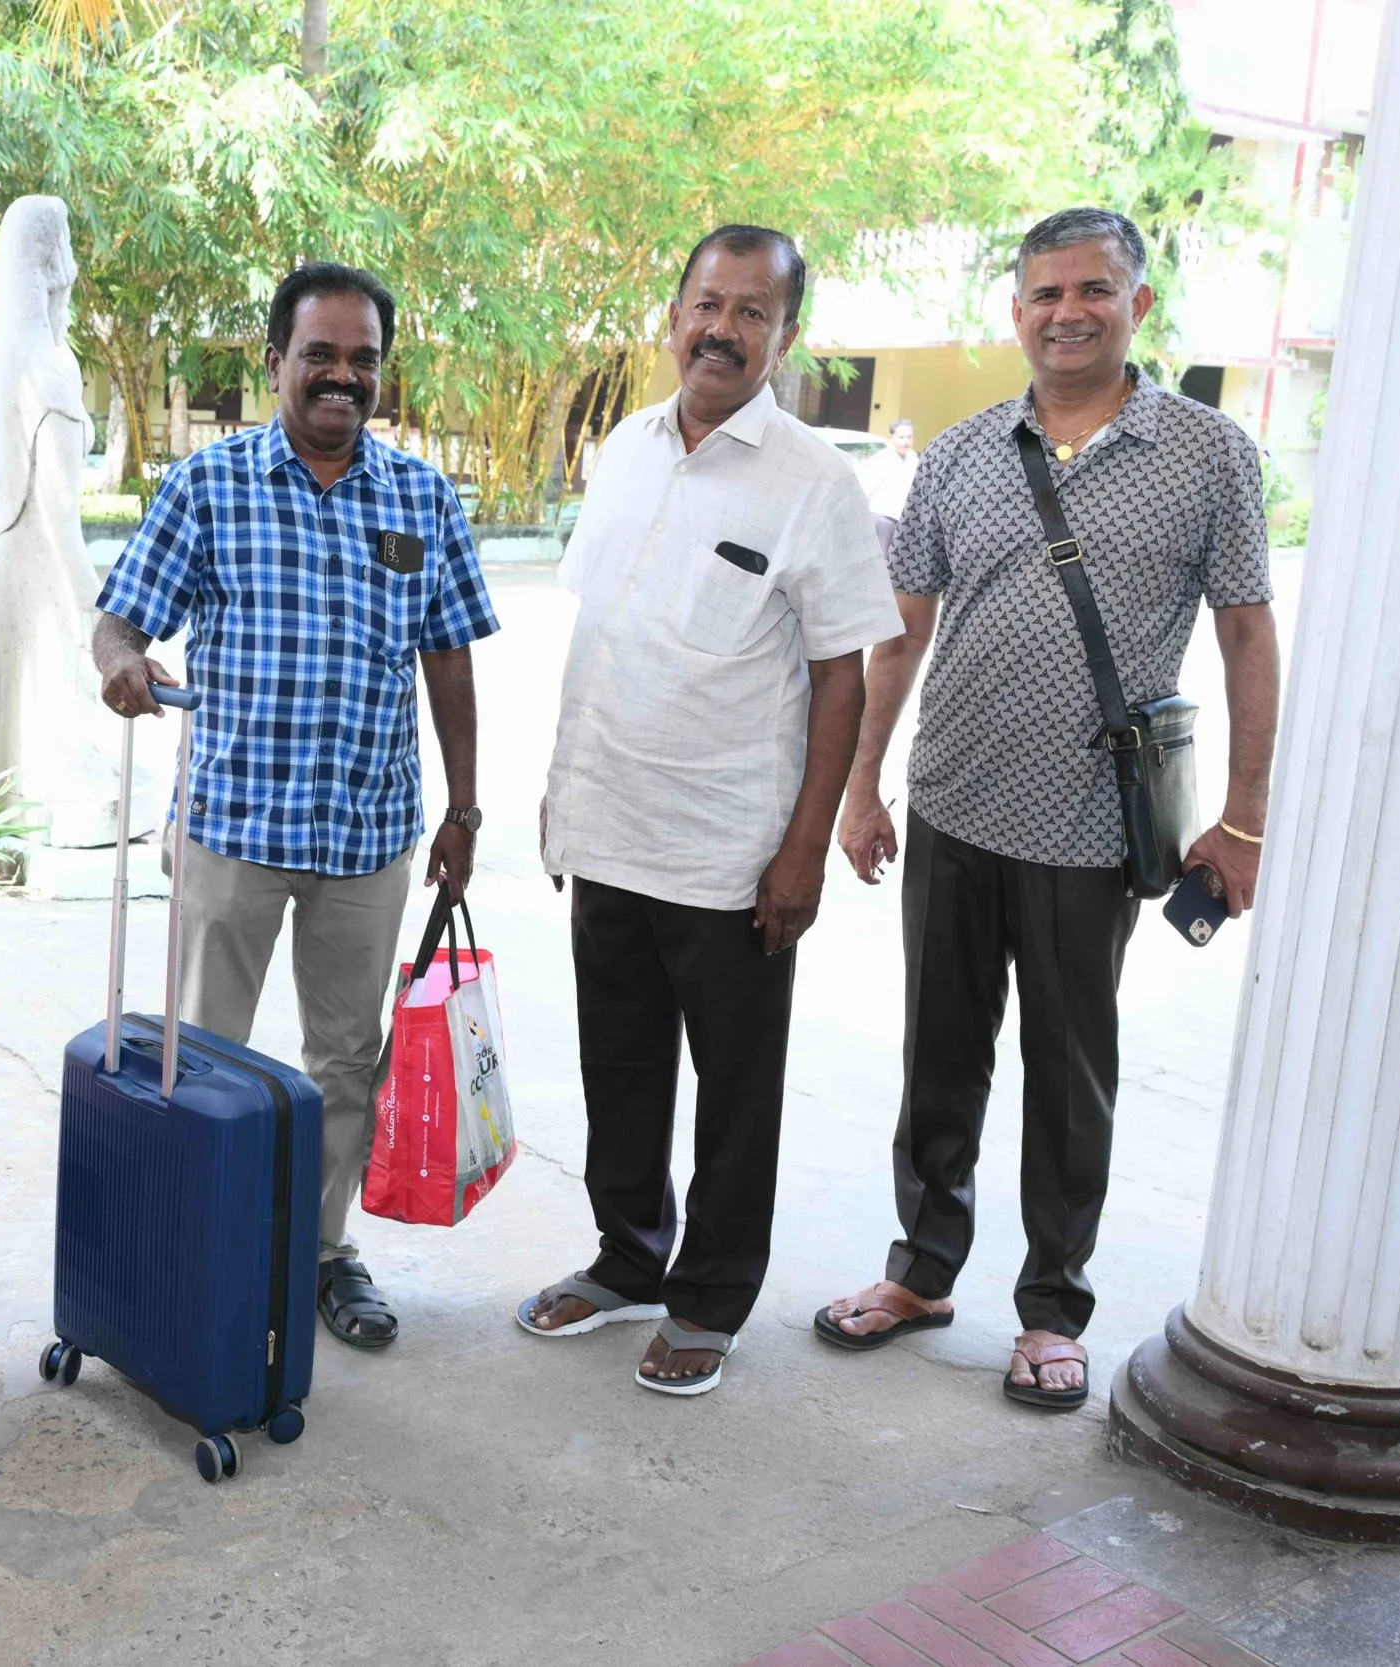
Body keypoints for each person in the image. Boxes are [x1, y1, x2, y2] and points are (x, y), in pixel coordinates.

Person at [816, 208, 1279, 1410]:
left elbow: (1243, 633)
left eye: (1091, 288)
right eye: (1042, 292)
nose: (1065, 310)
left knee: (1071, 1071)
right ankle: (920, 1270)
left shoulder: (1208, 452)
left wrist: (1243, 817)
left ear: (1136, 304)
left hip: (1091, 825)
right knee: (939, 1055)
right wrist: (864, 784)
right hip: (957, 803)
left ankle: (1051, 1304)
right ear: (1014, 310)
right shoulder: (966, 452)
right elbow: (901, 629)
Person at [516, 226, 903, 1396]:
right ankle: (628, 1255)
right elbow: (603, 634)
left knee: (735, 1087)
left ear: (786, 337)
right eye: (704, 302)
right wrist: (560, 796)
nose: (720, 328)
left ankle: (711, 1292)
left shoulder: (812, 482)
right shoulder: (626, 446)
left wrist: (803, 850)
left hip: (733, 853)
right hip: (612, 825)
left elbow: (843, 670)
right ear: (672, 310)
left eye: (750, 312)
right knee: (619, 1063)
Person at [91, 261, 499, 1351]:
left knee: (343, 1063)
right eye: (319, 354)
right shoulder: (209, 485)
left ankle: (320, 1252)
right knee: (199, 1054)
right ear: (274, 362)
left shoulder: (420, 499)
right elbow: (119, 620)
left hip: (367, 835)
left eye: (362, 359)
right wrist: (122, 662)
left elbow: (448, 662)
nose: (340, 376)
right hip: (230, 828)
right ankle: (187, 1240)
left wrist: (464, 809)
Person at [860, 417, 919, 557]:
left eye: (909, 437)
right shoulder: (880, 460)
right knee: (881, 560)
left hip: (904, 520)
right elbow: (865, 490)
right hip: (883, 518)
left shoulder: (914, 460)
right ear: (891, 437)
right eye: (901, 437)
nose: (906, 441)